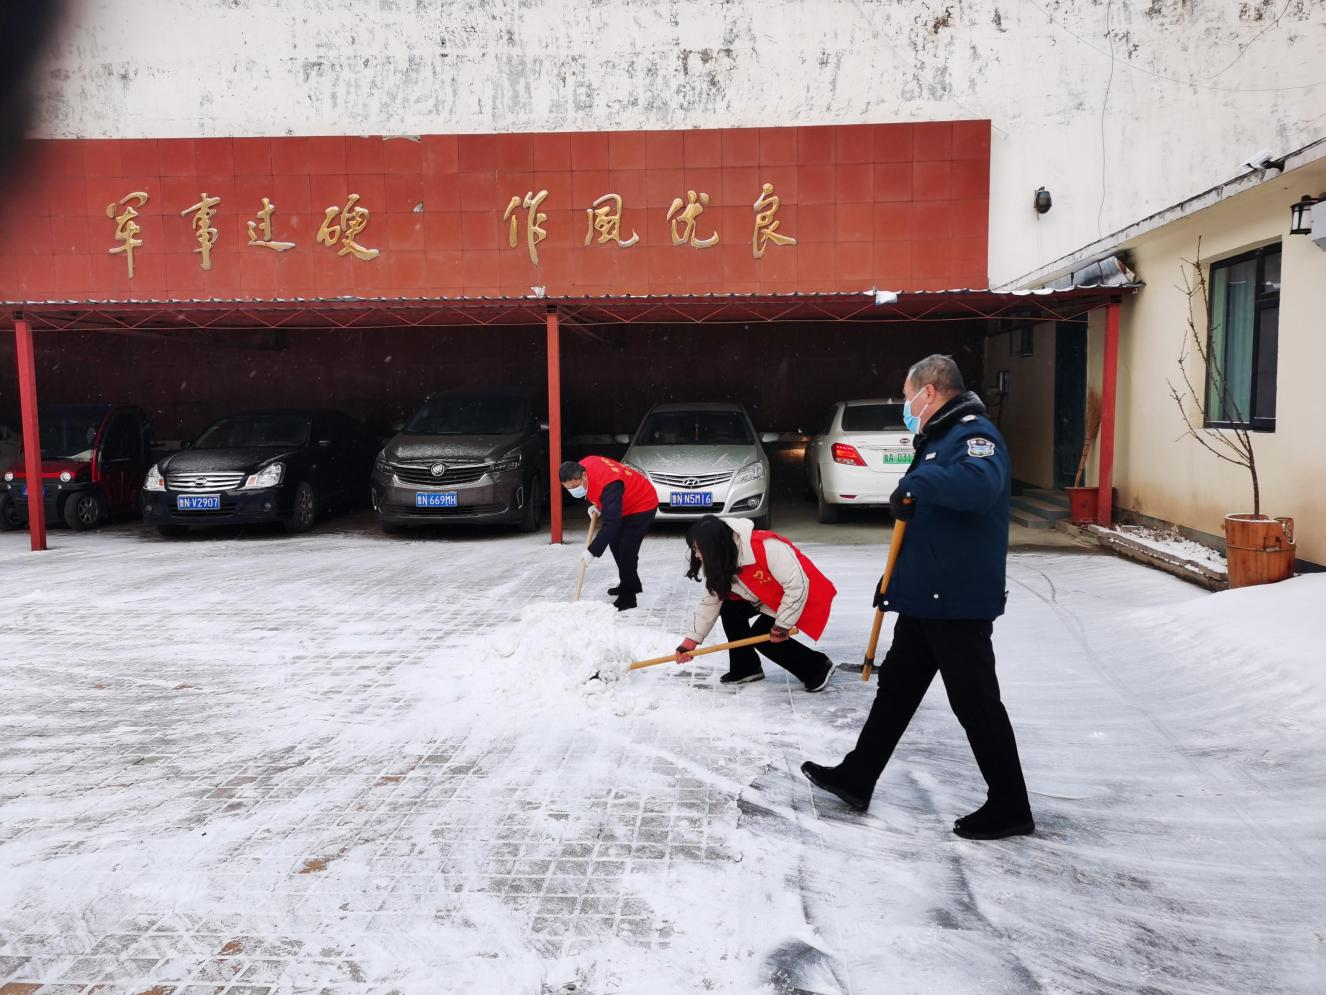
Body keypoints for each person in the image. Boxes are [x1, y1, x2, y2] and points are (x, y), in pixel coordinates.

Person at [800, 354, 1034, 841]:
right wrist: (895, 586)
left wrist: (915, 483)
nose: (907, 407)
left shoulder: (973, 436)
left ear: (929, 392)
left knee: (976, 704)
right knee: (896, 692)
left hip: (956, 602)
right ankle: (858, 776)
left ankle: (1010, 804)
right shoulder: (939, 439)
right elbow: (930, 526)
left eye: (909, 397)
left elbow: (978, 488)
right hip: (926, 598)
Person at [674, 514, 836, 691]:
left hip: (799, 593)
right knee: (729, 609)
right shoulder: (719, 559)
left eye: (699, 550)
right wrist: (690, 642)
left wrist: (782, 625)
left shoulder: (765, 547)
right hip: (763, 595)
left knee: (763, 636)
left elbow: (797, 586)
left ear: (715, 547)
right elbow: (710, 602)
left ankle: (817, 667)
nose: (697, 555)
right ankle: (746, 667)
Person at [559, 456, 658, 611]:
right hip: (623, 503)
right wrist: (596, 504)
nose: (573, 490)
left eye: (575, 486)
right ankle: (631, 583)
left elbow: (611, 523)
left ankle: (629, 596)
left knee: (626, 550)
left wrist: (592, 551)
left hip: (642, 503)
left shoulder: (609, 483)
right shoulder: (583, 466)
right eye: (569, 488)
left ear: (584, 475)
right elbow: (597, 493)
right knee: (615, 545)